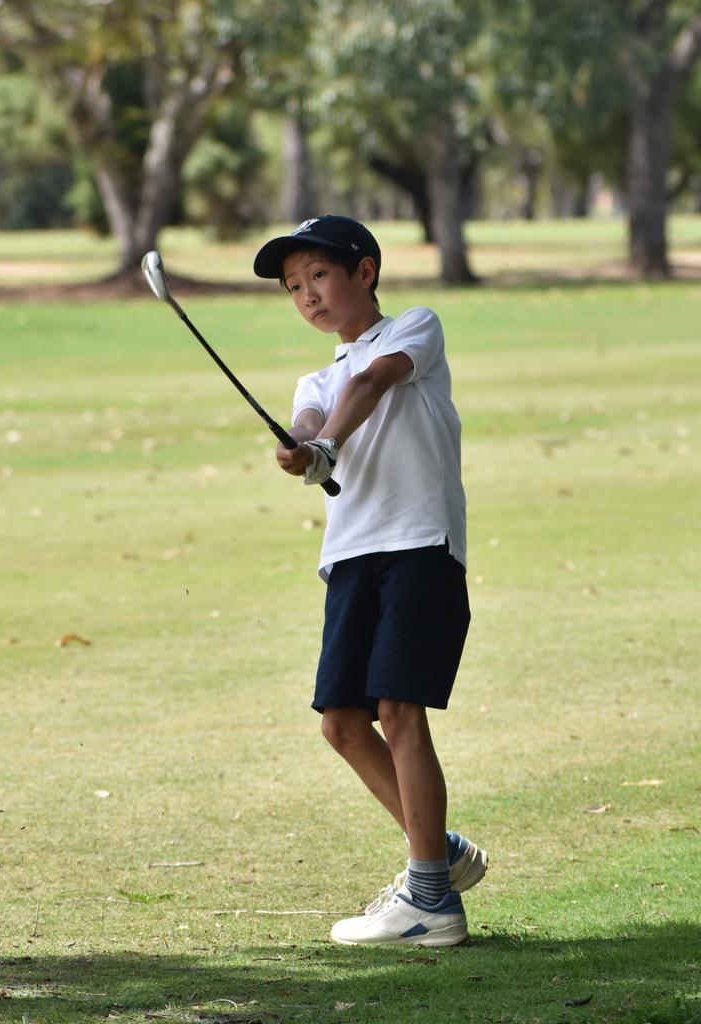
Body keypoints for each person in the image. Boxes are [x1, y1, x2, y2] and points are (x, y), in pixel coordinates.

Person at [253, 216, 487, 946]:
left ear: (365, 271)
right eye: (295, 287)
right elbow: (314, 412)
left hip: (420, 545)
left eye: (319, 276)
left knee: (398, 708)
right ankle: (440, 854)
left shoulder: (414, 328)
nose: (308, 296)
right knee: (343, 724)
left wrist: (326, 445)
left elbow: (372, 382)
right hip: (351, 558)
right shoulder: (314, 378)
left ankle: (431, 903)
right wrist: (302, 449)